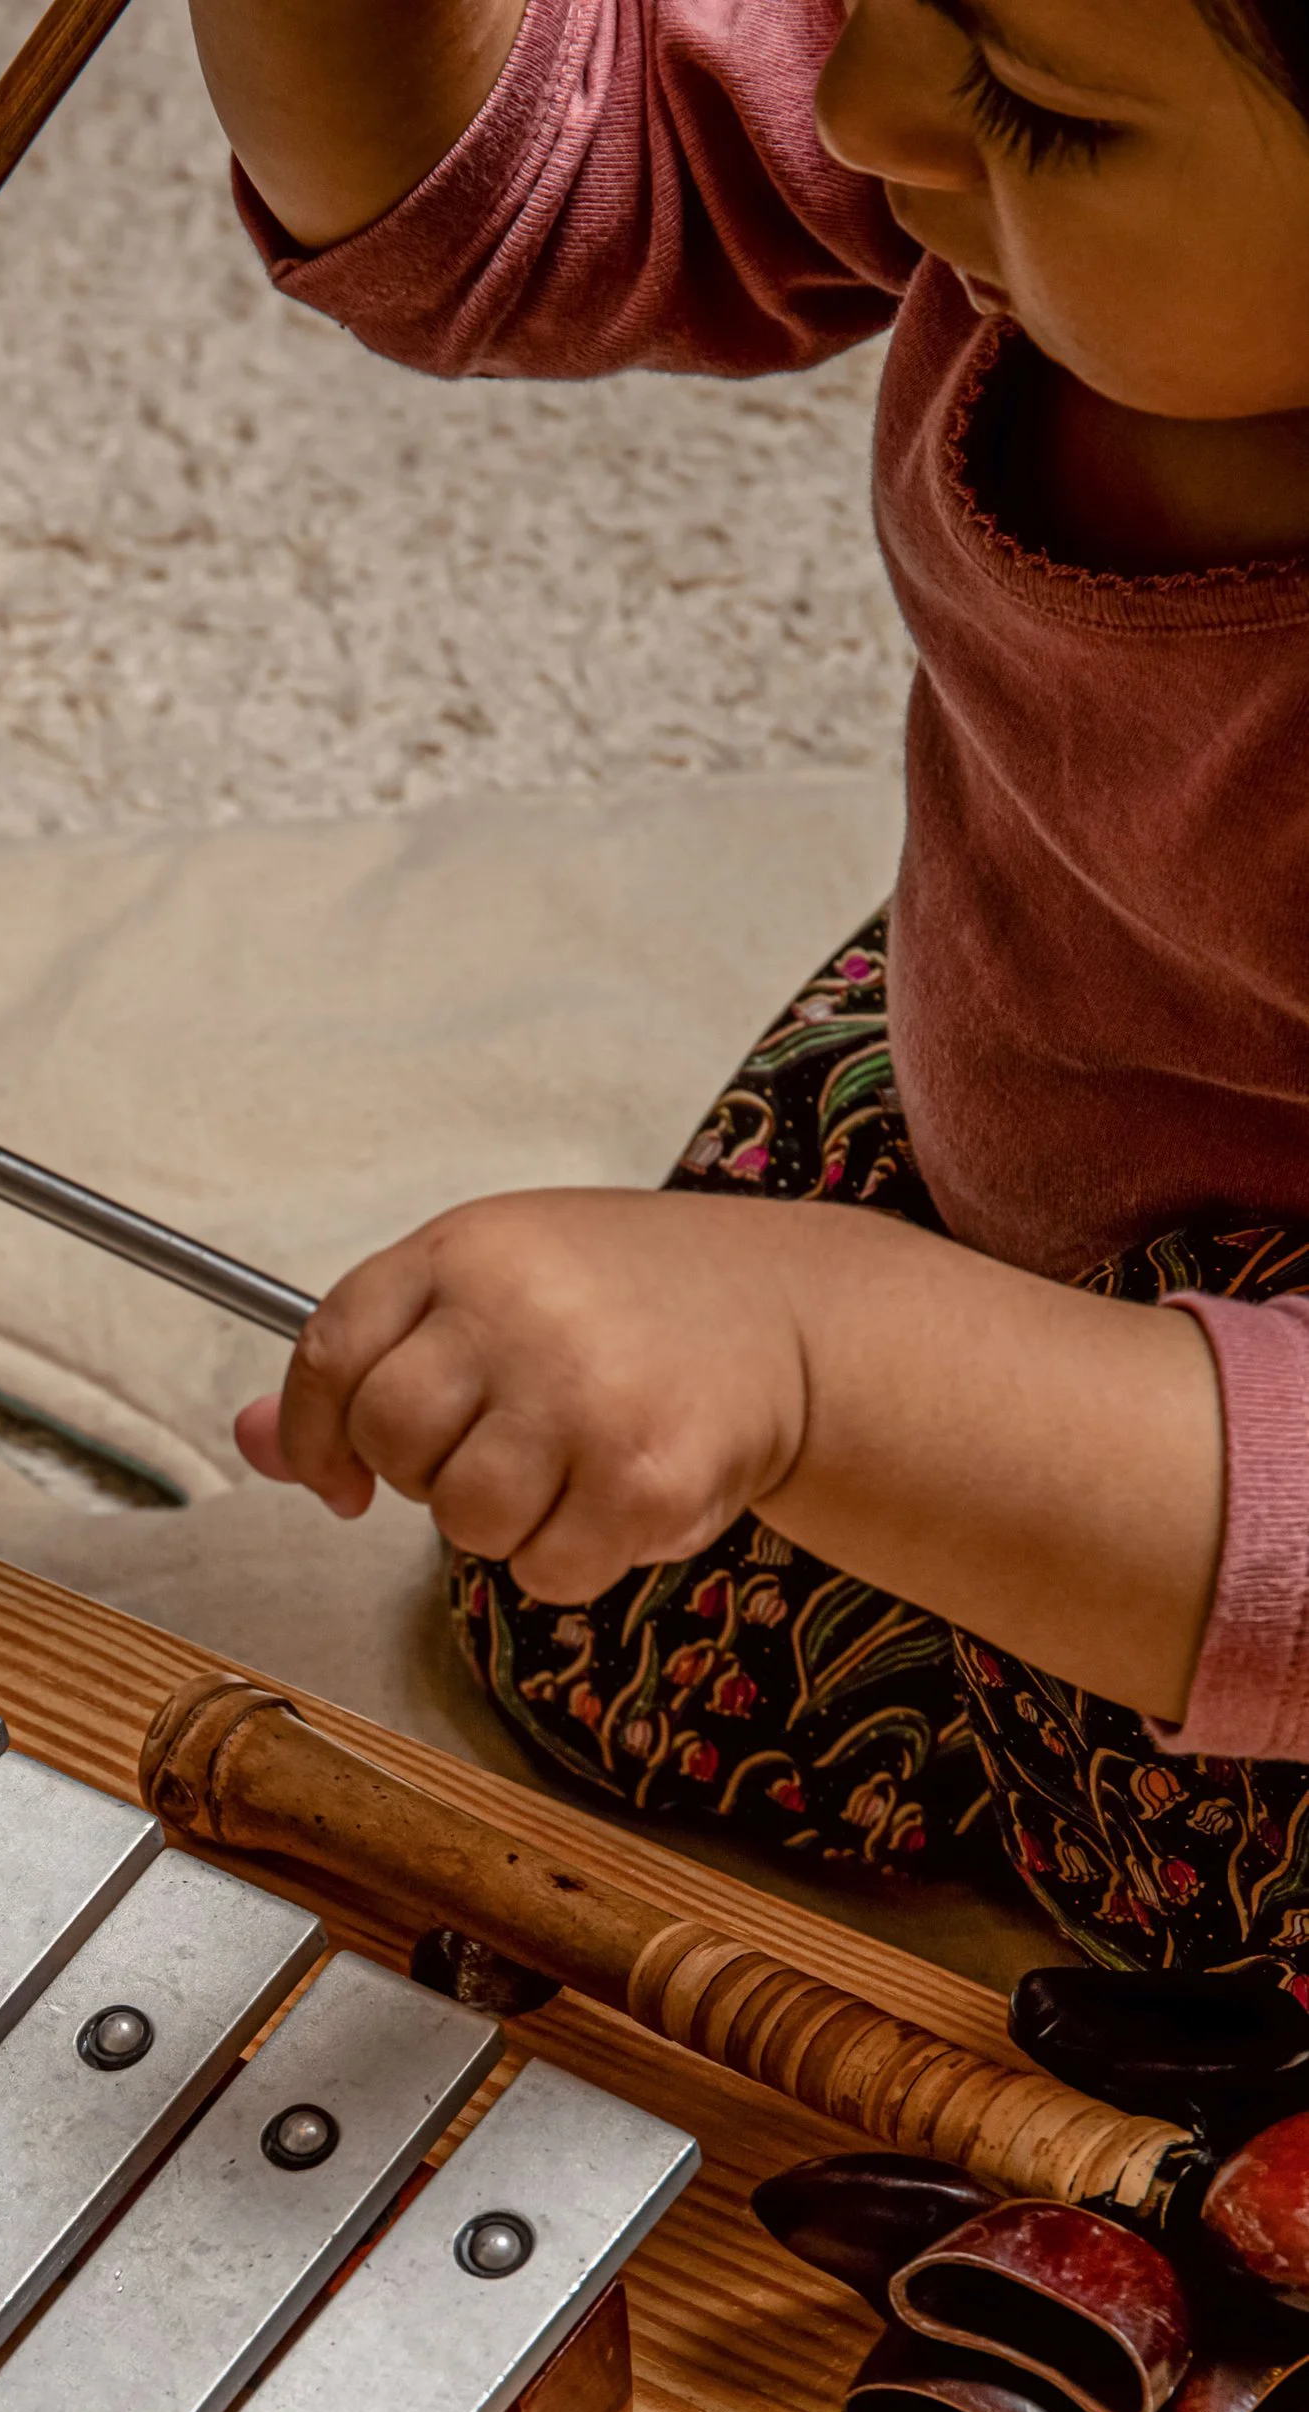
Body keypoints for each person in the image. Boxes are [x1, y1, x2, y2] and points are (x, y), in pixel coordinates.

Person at [192, 0, 1309, 1972]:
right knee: (599, 1569)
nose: (861, 101)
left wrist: (819, 1361)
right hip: (1057, 1119)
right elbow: (513, 198)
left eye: (1035, 114)